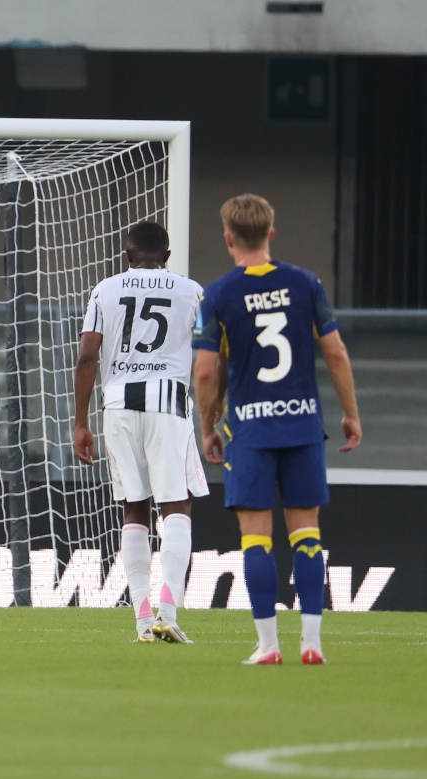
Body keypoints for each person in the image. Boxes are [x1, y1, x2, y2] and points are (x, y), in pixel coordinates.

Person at [193, 194, 362, 666]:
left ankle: (269, 646)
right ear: (271, 233)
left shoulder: (220, 293)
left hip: (250, 430)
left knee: (256, 538)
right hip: (303, 424)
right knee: (307, 535)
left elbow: (206, 372)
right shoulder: (306, 284)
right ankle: (313, 642)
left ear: (228, 238)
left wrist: (208, 424)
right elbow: (336, 353)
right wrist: (350, 413)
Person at [74, 221, 209, 644]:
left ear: (128, 256)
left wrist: (80, 421)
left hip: (117, 404)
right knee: (176, 507)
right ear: (166, 257)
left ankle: (141, 619)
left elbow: (86, 357)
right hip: (168, 402)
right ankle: (167, 613)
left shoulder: (105, 289)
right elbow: (206, 356)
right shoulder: (192, 291)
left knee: (134, 508)